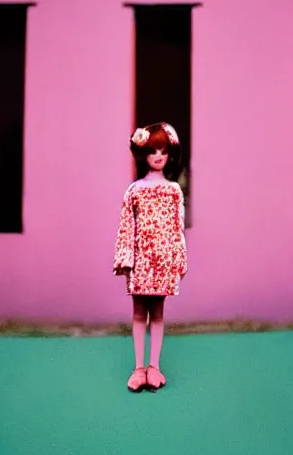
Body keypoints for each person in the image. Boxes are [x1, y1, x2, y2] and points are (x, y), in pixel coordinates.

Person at [113, 122, 187, 392]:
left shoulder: (173, 191)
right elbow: (126, 226)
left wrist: (179, 259)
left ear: (169, 155)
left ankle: (154, 366)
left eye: (163, 151)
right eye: (153, 151)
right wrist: (125, 258)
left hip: (163, 261)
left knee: (157, 313)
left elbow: (178, 228)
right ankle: (138, 367)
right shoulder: (134, 191)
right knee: (137, 313)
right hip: (140, 261)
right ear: (143, 155)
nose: (158, 156)